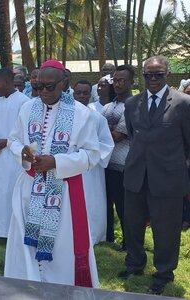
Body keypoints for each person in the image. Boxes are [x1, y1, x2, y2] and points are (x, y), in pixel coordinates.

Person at [4, 60, 101, 288]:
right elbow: (13, 140)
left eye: (50, 87)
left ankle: (59, 287)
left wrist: (56, 161)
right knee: (26, 245)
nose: (43, 92)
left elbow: (92, 155)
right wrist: (23, 152)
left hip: (64, 192)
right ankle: (27, 284)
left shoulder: (82, 114)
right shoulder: (27, 108)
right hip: (29, 188)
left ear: (64, 83)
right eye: (39, 87)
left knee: (61, 246)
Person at [119, 56, 190, 295]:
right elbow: (133, 134)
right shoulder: (132, 104)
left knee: (166, 230)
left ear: (167, 75)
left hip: (168, 179)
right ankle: (135, 264)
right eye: (148, 75)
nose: (153, 79)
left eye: (158, 74)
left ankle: (163, 273)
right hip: (136, 175)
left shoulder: (183, 103)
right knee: (132, 224)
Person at [0, 68, 30, 238]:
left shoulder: (24, 102)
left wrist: (5, 142)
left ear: (9, 83)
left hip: (13, 159)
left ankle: (10, 231)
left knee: (10, 192)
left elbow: (26, 134)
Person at [73, 79, 114, 245]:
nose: (82, 96)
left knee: (91, 202)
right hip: (68, 167)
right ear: (73, 93)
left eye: (85, 93)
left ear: (91, 94)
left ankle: (93, 236)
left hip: (91, 169)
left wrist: (90, 156)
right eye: (78, 92)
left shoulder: (97, 118)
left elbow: (107, 144)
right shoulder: (63, 116)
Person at [102, 65, 134, 250]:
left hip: (123, 164)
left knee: (123, 207)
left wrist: (106, 129)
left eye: (123, 80)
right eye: (116, 80)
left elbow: (117, 136)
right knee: (105, 205)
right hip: (105, 164)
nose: (119, 84)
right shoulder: (108, 106)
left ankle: (128, 244)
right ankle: (108, 238)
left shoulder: (132, 105)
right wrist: (109, 130)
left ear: (131, 82)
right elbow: (96, 132)